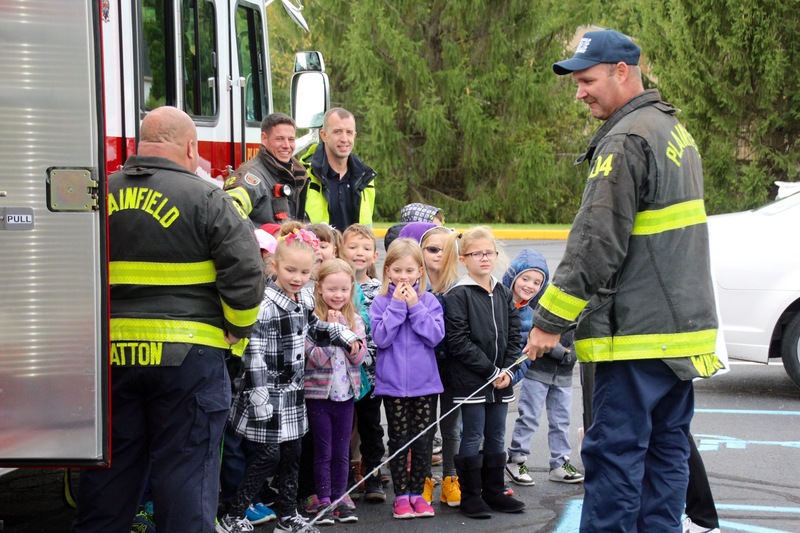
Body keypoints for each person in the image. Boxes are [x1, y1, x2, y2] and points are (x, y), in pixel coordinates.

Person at [524, 29, 723, 531]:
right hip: (678, 339)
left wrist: (548, 321)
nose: (579, 91)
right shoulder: (670, 129)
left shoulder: (625, 139)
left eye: (587, 79)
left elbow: (595, 244)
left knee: (614, 461)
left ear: (621, 72)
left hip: (633, 334)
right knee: (666, 458)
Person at [73, 106, 265, 533]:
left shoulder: (98, 193)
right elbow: (247, 271)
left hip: (111, 359)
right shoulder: (207, 197)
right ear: (191, 147)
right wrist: (236, 330)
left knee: (110, 474)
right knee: (186, 479)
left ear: (142, 143)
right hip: (189, 361)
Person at [219, 229, 362, 533]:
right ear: (274, 266)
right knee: (268, 455)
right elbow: (253, 351)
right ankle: (233, 514)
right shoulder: (266, 305)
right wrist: (258, 393)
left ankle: (287, 514)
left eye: (305, 272)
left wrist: (343, 335)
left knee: (293, 455)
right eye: (290, 270)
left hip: (293, 394)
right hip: (267, 393)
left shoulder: (303, 300)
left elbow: (314, 329)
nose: (297, 277)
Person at [443, 227, 526, 519]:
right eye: (477, 254)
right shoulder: (458, 294)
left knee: (496, 435)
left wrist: (507, 370)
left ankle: (494, 491)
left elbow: (515, 335)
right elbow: (458, 341)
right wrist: (490, 371)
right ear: (464, 259)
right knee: (472, 434)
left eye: (489, 253)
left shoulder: (503, 292)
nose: (484, 258)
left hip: (500, 380)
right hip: (472, 382)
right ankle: (472, 496)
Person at [370, 239, 445, 519]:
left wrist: (414, 307)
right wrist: (398, 307)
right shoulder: (380, 303)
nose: (403, 277)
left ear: (420, 272)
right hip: (393, 387)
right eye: (398, 270)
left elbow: (435, 336)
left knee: (423, 441)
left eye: (410, 271)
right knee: (399, 440)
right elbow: (381, 338)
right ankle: (401, 496)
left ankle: (420, 494)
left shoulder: (429, 301)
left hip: (425, 386)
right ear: (387, 271)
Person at [503, 249, 584, 487]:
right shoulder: (542, 301)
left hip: (564, 374)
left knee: (561, 420)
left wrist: (573, 355)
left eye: (537, 281)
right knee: (529, 416)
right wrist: (559, 350)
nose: (532, 285)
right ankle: (516, 458)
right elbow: (534, 332)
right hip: (538, 371)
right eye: (527, 279)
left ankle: (559, 463)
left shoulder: (582, 294)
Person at [397, 222, 462, 507]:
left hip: (452, 368)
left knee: (451, 427)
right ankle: (423, 480)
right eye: (432, 249)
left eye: (444, 249)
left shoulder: (458, 287)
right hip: (420, 369)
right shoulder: (410, 287)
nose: (438, 255)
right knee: (423, 428)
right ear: (419, 253)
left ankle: (450, 478)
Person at [304, 259, 368, 525]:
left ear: (351, 288)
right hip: (319, 397)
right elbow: (313, 358)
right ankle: (324, 500)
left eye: (343, 289)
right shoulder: (313, 319)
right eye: (332, 289)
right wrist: (332, 333)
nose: (338, 295)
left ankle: (341, 497)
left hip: (346, 396)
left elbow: (360, 357)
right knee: (324, 450)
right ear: (319, 288)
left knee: (342, 450)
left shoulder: (353, 318)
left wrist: (347, 333)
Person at [340, 224, 387, 503]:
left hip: (371, 372)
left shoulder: (380, 290)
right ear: (341, 251)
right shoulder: (336, 284)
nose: (359, 253)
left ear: (375, 256)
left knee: (371, 425)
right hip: (340, 373)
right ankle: (343, 476)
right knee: (344, 427)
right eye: (353, 247)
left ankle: (373, 475)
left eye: (366, 248)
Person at [225, 113, 309, 225]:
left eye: (291, 139)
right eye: (279, 139)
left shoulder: (297, 175)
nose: (287, 145)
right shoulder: (248, 179)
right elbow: (228, 223)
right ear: (264, 138)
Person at [300, 108, 377, 231]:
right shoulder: (303, 176)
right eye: (337, 132)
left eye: (349, 132)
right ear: (324, 135)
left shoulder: (365, 178)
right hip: (316, 250)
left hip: (355, 250)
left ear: (355, 135)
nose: (344, 139)